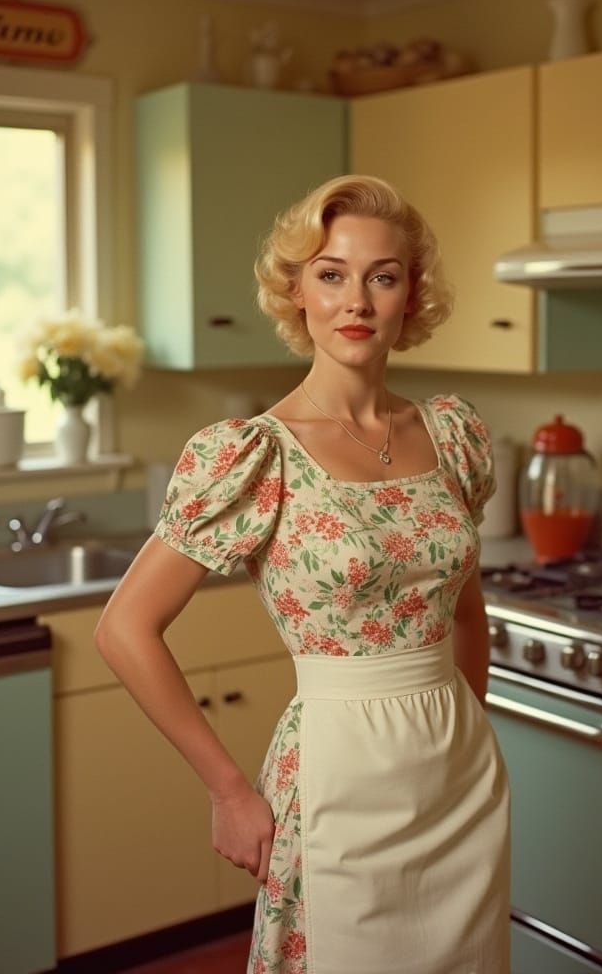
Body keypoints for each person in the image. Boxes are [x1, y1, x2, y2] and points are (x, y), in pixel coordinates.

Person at [95, 174, 510, 974]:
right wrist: (228, 790)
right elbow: (124, 629)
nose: (356, 299)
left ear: (408, 296)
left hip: (459, 777)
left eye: (382, 276)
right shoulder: (255, 454)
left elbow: (466, 612)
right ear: (297, 292)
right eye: (331, 274)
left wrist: (474, 734)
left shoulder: (451, 436)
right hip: (338, 775)